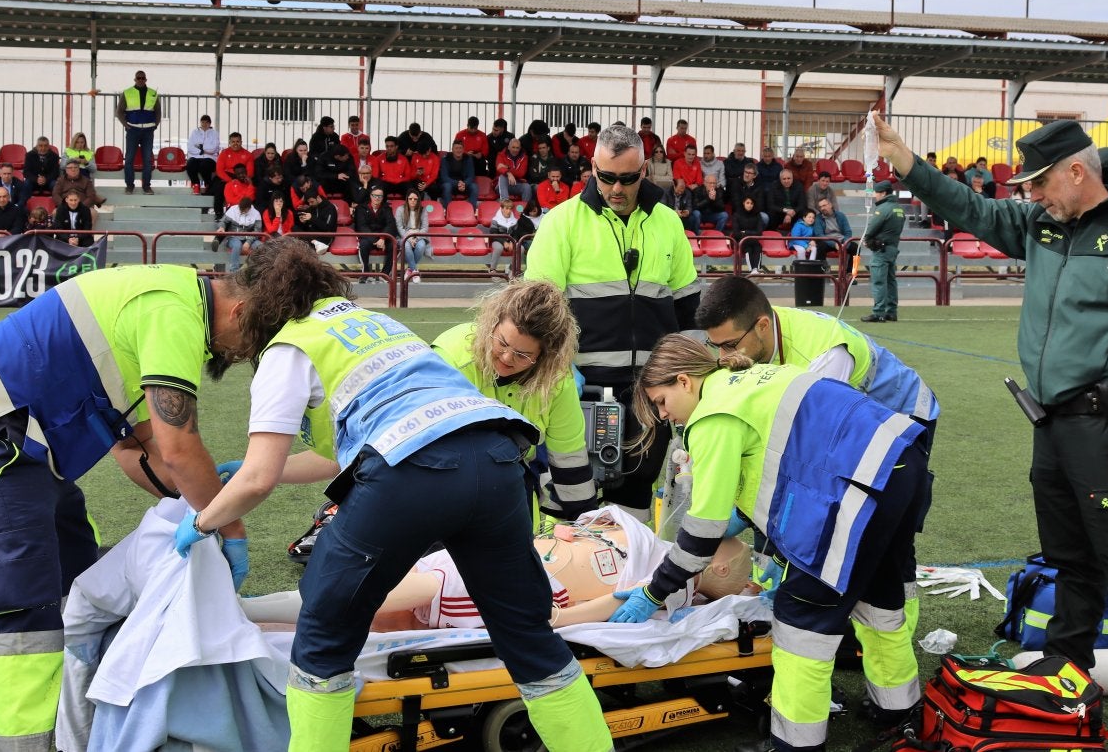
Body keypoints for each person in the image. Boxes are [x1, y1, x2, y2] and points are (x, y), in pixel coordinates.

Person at [173, 240, 612, 752]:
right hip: (498, 464)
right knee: (530, 638)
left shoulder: (291, 346)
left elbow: (257, 478)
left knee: (323, 633)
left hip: (413, 474)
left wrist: (203, 522)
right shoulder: (379, 324)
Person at [872, 113, 1108, 752]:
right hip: (1051, 428)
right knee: (1071, 564)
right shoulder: (1046, 223)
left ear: (1077, 172)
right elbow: (974, 209)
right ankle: (1066, 691)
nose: (1031, 196)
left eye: (1040, 183)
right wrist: (909, 165)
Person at [0, 262, 252, 751]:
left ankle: (75, 714)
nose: (241, 355)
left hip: (28, 444)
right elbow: (179, 450)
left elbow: (136, 451)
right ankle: (28, 744)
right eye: (250, 342)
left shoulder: (169, 298)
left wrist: (198, 498)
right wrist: (228, 525)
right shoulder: (176, 313)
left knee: (81, 572)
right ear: (240, 309)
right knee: (26, 596)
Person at [617, 335, 929, 752]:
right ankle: (899, 711)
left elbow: (702, 534)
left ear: (684, 381)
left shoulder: (713, 416)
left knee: (802, 622)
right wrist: (744, 515)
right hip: (902, 461)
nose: (664, 414)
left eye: (660, 401)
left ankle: (794, 745)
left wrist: (652, 593)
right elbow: (786, 457)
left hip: (863, 487)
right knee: (879, 599)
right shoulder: (747, 379)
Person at [695, 274, 941, 723]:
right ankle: (896, 705)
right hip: (876, 445)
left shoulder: (824, 356)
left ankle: (847, 637)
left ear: (763, 326)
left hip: (903, 432)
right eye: (716, 348)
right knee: (875, 580)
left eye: (730, 345)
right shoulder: (761, 341)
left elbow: (814, 463)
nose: (724, 358)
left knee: (874, 563)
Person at [524, 123, 701, 520]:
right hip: (578, 393)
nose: (616, 189)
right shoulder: (561, 222)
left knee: (636, 497)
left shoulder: (668, 222)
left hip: (650, 394)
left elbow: (688, 307)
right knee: (569, 499)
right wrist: (560, 366)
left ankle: (626, 576)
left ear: (644, 171)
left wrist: (695, 375)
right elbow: (536, 311)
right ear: (592, 167)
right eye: (606, 178)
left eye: (626, 178)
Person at [243, 505, 751, 633]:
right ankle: (256, 614)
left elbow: (608, 608)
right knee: (383, 598)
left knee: (384, 596)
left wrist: (549, 623)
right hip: (510, 558)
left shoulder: (675, 585)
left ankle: (250, 612)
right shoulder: (650, 542)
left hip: (521, 583)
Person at [431, 280, 598, 520]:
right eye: (502, 343)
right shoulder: (453, 359)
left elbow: (570, 460)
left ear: (544, 357)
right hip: (446, 484)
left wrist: (586, 525)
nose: (507, 358)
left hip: (512, 486)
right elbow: (432, 452)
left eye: (523, 355)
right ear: (492, 323)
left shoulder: (557, 379)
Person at [860, 180, 904, 323]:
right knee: (891, 280)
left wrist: (867, 238)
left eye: (877, 193)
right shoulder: (899, 208)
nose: (875, 196)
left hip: (881, 249)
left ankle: (878, 312)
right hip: (892, 248)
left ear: (883, 193)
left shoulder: (883, 209)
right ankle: (892, 311)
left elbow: (872, 227)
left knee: (879, 281)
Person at [116, 69, 159, 194]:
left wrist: (155, 125)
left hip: (148, 131)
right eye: (138, 78)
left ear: (146, 79)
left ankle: (147, 186)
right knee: (129, 159)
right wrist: (126, 125)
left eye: (142, 78)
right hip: (133, 130)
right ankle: (130, 185)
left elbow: (158, 111)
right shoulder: (127, 92)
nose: (140, 80)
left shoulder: (153, 93)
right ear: (134, 79)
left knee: (147, 160)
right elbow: (119, 112)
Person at [353, 188, 399, 282]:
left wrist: (382, 238)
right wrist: (376, 240)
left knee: (394, 245)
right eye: (375, 195)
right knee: (364, 244)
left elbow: (390, 225)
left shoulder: (387, 208)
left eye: (380, 196)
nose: (377, 198)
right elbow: (362, 227)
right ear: (370, 196)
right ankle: (366, 274)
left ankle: (385, 274)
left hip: (384, 238)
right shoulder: (361, 208)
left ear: (382, 198)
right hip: (369, 237)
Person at [484, 196, 534, 277]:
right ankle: (492, 269)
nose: (508, 211)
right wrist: (503, 242)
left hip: (511, 240)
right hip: (498, 240)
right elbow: (493, 234)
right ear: (502, 208)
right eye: (506, 208)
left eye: (510, 209)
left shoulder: (514, 220)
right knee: (498, 248)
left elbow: (516, 233)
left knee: (521, 248)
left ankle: (513, 268)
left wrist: (512, 241)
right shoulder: (495, 220)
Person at [218, 195, 264, 272]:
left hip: (250, 238)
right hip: (233, 236)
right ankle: (234, 272)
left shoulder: (256, 213)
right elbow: (222, 221)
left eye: (244, 210)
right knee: (237, 245)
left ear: (249, 208)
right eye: (240, 209)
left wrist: (248, 242)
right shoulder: (232, 209)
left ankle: (259, 270)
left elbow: (257, 231)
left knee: (261, 246)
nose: (241, 211)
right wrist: (221, 227)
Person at [397, 188, 431, 282]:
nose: (413, 201)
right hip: (404, 236)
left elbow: (425, 227)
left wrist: (417, 237)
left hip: (418, 235)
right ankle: (415, 272)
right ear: (407, 199)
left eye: (415, 199)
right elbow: (399, 227)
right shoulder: (400, 210)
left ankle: (409, 269)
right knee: (406, 246)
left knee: (421, 246)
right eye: (410, 198)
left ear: (418, 200)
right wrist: (408, 238)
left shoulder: (423, 210)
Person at [187, 115, 221, 195]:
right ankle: (196, 184)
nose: (204, 124)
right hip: (196, 156)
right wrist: (202, 151)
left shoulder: (214, 133)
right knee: (190, 164)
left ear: (210, 124)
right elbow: (190, 147)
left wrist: (200, 147)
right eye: (203, 122)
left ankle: (208, 184)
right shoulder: (195, 132)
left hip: (210, 158)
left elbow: (214, 147)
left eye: (206, 122)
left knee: (205, 165)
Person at [812, 196, 853, 262]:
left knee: (855, 247)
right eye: (820, 207)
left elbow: (848, 232)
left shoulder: (841, 215)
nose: (822, 208)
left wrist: (844, 244)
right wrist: (834, 244)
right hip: (828, 242)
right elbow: (820, 235)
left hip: (841, 241)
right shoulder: (818, 218)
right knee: (821, 246)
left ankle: (850, 271)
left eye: (824, 205)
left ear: (830, 205)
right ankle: (821, 269)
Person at [732, 194, 766, 272]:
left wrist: (745, 232)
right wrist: (750, 233)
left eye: (751, 203)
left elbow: (759, 233)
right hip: (741, 241)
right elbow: (736, 233)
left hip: (753, 240)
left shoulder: (757, 215)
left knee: (758, 247)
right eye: (748, 203)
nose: (750, 205)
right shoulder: (737, 215)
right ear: (743, 203)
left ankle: (755, 270)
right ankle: (752, 270)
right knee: (748, 248)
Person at [440, 139, 478, 207]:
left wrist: (464, 183)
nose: (458, 150)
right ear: (452, 149)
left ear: (463, 149)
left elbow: (471, 176)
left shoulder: (468, 158)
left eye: (460, 148)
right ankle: (448, 210)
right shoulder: (445, 159)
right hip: (451, 184)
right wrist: (457, 183)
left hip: (464, 184)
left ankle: (472, 210)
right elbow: (444, 177)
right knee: (447, 186)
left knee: (474, 187)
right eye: (456, 148)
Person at [22, 136, 60, 203]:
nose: (43, 148)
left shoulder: (54, 156)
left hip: (49, 181)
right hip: (33, 181)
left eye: (45, 146)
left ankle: (56, 206)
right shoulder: (29, 155)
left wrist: (46, 179)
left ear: (48, 146)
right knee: (26, 183)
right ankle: (25, 204)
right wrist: (36, 179)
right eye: (40, 146)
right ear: (37, 146)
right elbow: (26, 172)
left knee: (55, 184)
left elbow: (55, 172)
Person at [768, 167, 806, 232]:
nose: (786, 181)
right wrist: (786, 211)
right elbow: (770, 205)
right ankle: (773, 234)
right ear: (780, 179)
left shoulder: (799, 186)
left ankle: (799, 233)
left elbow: (802, 204)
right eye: (784, 179)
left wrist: (791, 213)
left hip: (794, 212)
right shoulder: (773, 186)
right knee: (771, 213)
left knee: (803, 212)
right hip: (780, 212)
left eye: (789, 178)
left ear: (792, 178)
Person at [494, 137, 532, 203]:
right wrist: (508, 173)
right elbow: (499, 168)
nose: (515, 150)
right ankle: (505, 203)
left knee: (527, 187)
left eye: (517, 148)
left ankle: (525, 209)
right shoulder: (501, 155)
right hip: (502, 185)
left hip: (516, 184)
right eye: (513, 147)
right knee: (503, 177)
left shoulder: (524, 157)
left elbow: (521, 173)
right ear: (508, 147)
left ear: (520, 148)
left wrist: (507, 168)